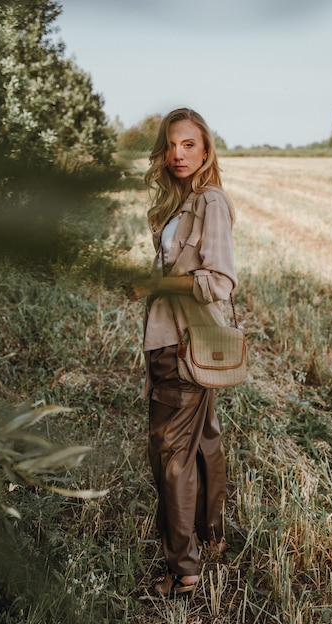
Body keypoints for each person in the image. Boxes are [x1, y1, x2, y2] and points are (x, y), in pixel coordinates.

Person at [124, 107, 237, 596]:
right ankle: (210, 538)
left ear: (206, 149)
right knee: (203, 440)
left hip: (184, 341)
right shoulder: (184, 201)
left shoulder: (210, 202)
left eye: (189, 144)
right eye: (171, 144)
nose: (177, 154)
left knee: (171, 454)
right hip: (189, 339)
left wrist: (154, 283)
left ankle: (184, 570)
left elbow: (219, 280)